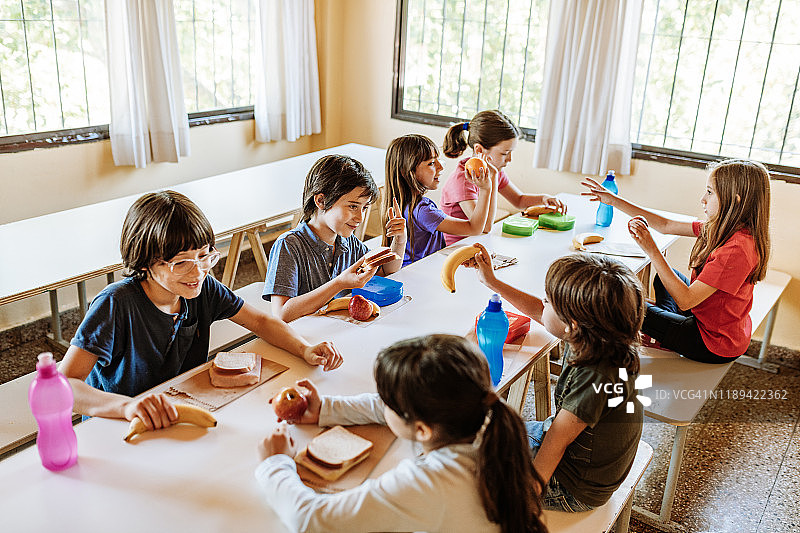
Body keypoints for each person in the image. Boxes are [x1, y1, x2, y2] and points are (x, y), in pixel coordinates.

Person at [60, 190, 343, 432]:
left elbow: (260, 321)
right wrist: (127, 406)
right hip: (117, 425)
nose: (198, 271)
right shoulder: (116, 304)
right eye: (181, 262)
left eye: (205, 255)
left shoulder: (202, 288)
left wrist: (304, 349)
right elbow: (64, 386)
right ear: (145, 261)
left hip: (179, 411)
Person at [255, 334, 546, 533]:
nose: (382, 403)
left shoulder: (431, 482)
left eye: (388, 400)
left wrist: (275, 463)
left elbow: (312, 519)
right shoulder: (484, 416)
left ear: (421, 429)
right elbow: (392, 408)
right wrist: (327, 409)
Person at [472, 249, 645, 511]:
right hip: (586, 460)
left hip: (574, 487)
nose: (543, 306)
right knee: (488, 436)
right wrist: (492, 282)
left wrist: (528, 496)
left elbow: (557, 441)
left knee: (471, 475)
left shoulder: (595, 375)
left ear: (573, 323)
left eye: (548, 301)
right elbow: (543, 315)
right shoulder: (600, 337)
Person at [581, 159, 771, 363]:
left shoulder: (737, 249)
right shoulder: (726, 228)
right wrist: (613, 200)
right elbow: (665, 224)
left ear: (735, 200)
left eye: (709, 192)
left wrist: (652, 250)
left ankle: (666, 331)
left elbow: (685, 300)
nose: (703, 199)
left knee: (621, 302)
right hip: (709, 320)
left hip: (712, 343)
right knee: (663, 279)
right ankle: (667, 329)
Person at [263, 155, 406, 322]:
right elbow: (282, 314)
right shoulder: (289, 245)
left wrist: (400, 240)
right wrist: (339, 283)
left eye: (365, 208)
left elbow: (386, 270)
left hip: (335, 332)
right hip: (304, 340)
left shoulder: (347, 242)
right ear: (321, 201)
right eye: (353, 206)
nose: (360, 218)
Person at [440, 110, 565, 245]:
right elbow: (485, 227)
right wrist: (492, 178)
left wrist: (543, 198)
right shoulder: (463, 181)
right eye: (505, 153)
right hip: (455, 250)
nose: (509, 159)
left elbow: (519, 200)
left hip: (479, 243)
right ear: (479, 150)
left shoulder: (493, 171)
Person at [381, 134, 493, 266]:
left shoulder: (403, 203)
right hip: (420, 273)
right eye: (432, 163)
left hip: (410, 270)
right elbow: (475, 228)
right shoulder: (423, 211)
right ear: (407, 171)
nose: (441, 167)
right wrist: (486, 190)